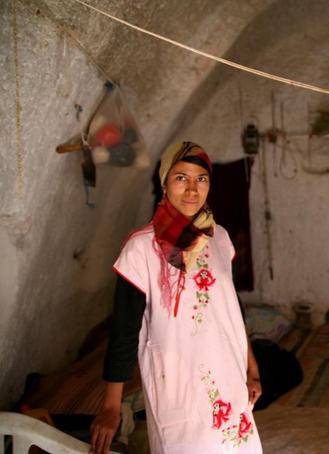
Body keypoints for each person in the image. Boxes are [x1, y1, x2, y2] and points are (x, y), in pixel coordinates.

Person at [90, 142, 263, 454]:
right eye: (181, 178)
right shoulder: (140, 248)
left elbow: (231, 310)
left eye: (202, 179)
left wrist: (251, 368)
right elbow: (124, 332)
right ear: (165, 183)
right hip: (178, 384)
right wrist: (112, 406)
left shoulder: (218, 238)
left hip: (228, 377)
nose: (192, 189)